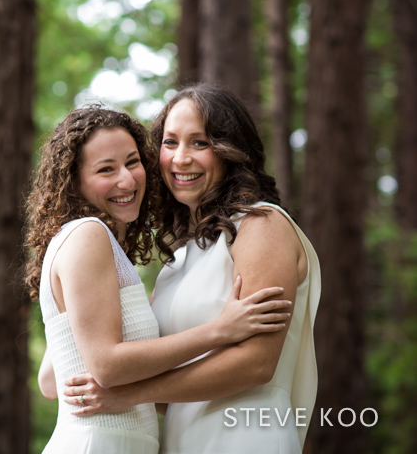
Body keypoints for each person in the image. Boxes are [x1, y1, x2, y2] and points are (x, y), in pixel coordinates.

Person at [62, 85, 321, 454]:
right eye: (170, 143)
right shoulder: (179, 262)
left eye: (199, 143)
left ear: (231, 150)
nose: (180, 158)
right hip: (181, 442)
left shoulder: (261, 224)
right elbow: (166, 387)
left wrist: (129, 394)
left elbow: (256, 365)